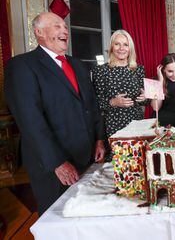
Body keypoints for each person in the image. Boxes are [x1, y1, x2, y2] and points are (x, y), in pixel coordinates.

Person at [4, 12, 105, 215]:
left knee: (84, 214)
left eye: (65, 27)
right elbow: (30, 120)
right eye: (57, 26)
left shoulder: (77, 65)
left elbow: (91, 106)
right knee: (58, 217)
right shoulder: (22, 65)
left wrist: (99, 139)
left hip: (86, 158)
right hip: (52, 165)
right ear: (39, 32)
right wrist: (57, 163)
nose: (65, 30)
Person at [92, 30, 147, 160]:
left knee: (137, 161)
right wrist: (113, 102)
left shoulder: (138, 69)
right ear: (111, 47)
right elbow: (95, 102)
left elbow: (144, 101)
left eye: (125, 45)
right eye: (117, 44)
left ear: (130, 48)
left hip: (136, 123)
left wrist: (145, 97)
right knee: (118, 164)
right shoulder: (101, 70)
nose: (121, 48)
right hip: (113, 125)